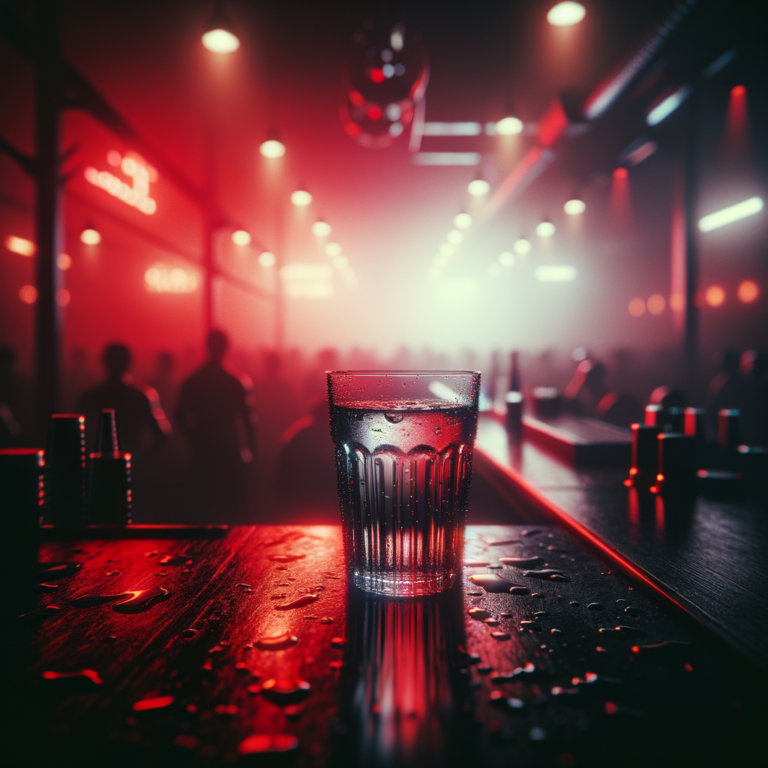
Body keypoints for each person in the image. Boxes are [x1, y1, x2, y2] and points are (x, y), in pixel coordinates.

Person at [176, 330, 256, 519]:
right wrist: (250, 450)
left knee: (201, 507)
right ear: (227, 348)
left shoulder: (194, 380)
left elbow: (179, 415)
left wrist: (194, 438)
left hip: (204, 449)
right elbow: (249, 420)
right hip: (230, 448)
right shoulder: (236, 381)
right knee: (234, 510)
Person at [76, 343, 170, 456]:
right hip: (131, 463)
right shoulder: (141, 396)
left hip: (98, 465)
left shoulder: (89, 397)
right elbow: (163, 433)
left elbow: (76, 435)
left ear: (104, 362)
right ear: (129, 363)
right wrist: (143, 460)